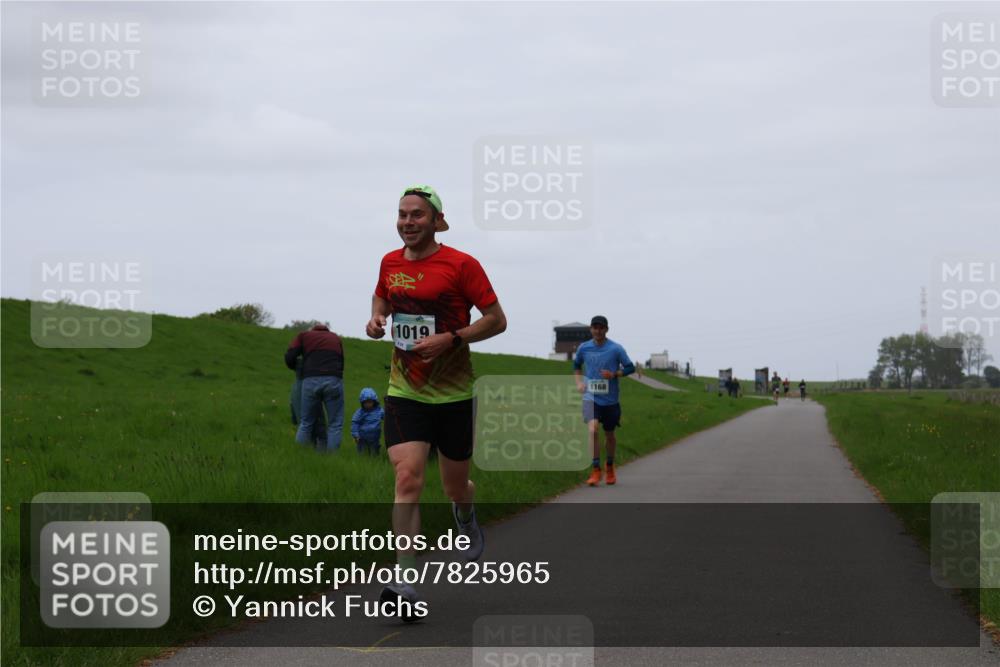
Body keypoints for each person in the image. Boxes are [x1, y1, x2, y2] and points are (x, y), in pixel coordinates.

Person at [365, 185, 506, 616]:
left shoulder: (462, 264)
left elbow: (496, 320)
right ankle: (404, 580)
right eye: (402, 214)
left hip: (453, 393)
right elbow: (382, 294)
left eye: (417, 215)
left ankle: (464, 513)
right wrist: (377, 316)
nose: (407, 222)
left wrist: (453, 337)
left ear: (436, 221)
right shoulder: (390, 262)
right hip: (405, 389)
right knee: (407, 478)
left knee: (454, 487)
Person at [574, 315, 636, 487]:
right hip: (591, 397)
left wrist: (614, 374)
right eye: (595, 327)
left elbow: (630, 368)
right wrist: (579, 382)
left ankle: (609, 466)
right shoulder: (584, 348)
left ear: (606, 329)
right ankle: (595, 469)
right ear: (590, 329)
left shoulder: (616, 349)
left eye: (601, 328)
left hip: (610, 400)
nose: (598, 331)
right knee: (593, 429)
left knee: (609, 434)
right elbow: (576, 366)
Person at [284, 324, 345, 451]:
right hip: (333, 380)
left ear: (313, 330)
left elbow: (289, 357)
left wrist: (297, 367)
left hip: (310, 380)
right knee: (335, 424)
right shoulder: (335, 338)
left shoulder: (304, 336)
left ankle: (299, 454)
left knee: (306, 422)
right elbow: (341, 362)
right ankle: (332, 458)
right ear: (327, 330)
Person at [289, 357, 328, 447]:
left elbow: (292, 405)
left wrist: (295, 420)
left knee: (307, 445)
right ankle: (323, 454)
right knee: (321, 439)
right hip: (313, 422)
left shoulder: (294, 387)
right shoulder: (310, 385)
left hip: (302, 426)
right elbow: (317, 405)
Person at [351, 387, 384, 455]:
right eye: (365, 402)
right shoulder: (360, 412)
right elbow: (355, 423)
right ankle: (363, 458)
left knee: (374, 452)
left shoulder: (379, 411)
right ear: (362, 403)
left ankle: (374, 458)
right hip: (362, 437)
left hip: (375, 437)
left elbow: (386, 417)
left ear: (374, 401)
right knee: (363, 452)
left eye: (370, 402)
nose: (368, 404)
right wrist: (356, 435)